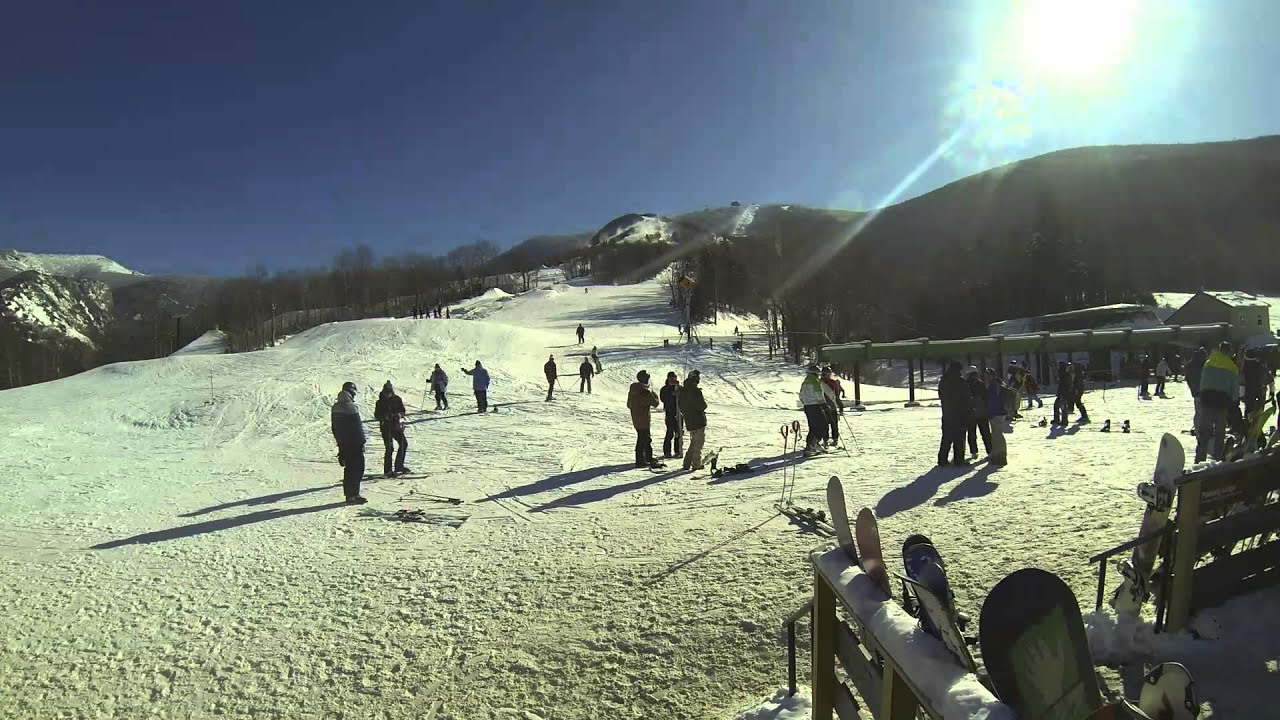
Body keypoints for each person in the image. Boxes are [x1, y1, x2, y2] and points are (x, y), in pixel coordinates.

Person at [1196, 342, 1240, 462]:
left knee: (1205, 431)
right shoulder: (1232, 367)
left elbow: (1203, 382)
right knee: (1220, 433)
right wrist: (1235, 403)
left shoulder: (1208, 363)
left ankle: (1200, 458)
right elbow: (1235, 389)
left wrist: (1201, 395)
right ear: (1229, 351)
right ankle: (1218, 459)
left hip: (1207, 400)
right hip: (1222, 402)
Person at [331, 382, 367, 504]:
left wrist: (340, 443)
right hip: (354, 443)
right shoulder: (351, 407)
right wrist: (362, 442)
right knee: (357, 468)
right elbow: (357, 428)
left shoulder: (336, 407)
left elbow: (335, 428)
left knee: (349, 469)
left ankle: (349, 494)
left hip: (344, 443)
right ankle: (354, 494)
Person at [937, 361, 971, 466]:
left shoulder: (943, 381)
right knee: (959, 438)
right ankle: (959, 459)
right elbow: (966, 396)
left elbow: (942, 396)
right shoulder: (960, 382)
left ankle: (942, 459)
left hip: (947, 413)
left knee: (947, 438)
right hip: (960, 414)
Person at [374, 381, 410, 478]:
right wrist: (384, 416)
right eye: (386, 392)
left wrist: (399, 414)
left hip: (396, 426)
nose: (388, 395)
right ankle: (388, 470)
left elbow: (402, 410)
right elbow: (377, 415)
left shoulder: (397, 399)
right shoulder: (380, 402)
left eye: (389, 392)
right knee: (389, 448)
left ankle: (399, 466)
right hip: (386, 427)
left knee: (403, 444)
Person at [627, 370, 661, 468]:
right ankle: (640, 460)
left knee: (646, 438)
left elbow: (629, 405)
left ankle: (648, 457)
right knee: (642, 439)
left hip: (636, 418)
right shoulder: (644, 391)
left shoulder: (633, 390)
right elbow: (655, 403)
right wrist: (653, 394)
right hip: (644, 419)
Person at [799, 365, 836, 455]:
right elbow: (819, 395)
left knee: (813, 426)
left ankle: (812, 444)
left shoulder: (805, 382)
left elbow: (801, 396)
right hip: (815, 405)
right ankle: (812, 444)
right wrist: (824, 405)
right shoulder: (815, 382)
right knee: (823, 425)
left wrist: (806, 403)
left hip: (807, 407)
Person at [679, 370, 708, 470]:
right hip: (698, 420)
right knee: (698, 442)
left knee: (694, 442)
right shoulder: (695, 391)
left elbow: (681, 406)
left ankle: (687, 462)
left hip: (689, 420)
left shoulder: (683, 391)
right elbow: (702, 405)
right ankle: (696, 464)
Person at [965, 366, 992, 458]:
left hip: (970, 413)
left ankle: (973, 451)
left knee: (972, 434)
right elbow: (986, 398)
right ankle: (990, 451)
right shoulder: (981, 384)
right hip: (982, 413)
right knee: (985, 433)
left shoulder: (966, 384)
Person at [985, 368, 1009, 466]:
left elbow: (993, 401)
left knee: (997, 435)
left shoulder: (993, 385)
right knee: (996, 435)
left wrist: (990, 412)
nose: (985, 376)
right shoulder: (998, 384)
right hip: (999, 413)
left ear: (991, 375)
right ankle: (998, 455)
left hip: (997, 413)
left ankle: (1001, 456)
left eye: (987, 374)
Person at [820, 366, 845, 447]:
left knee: (833, 424)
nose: (827, 375)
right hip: (824, 407)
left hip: (830, 406)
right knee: (826, 424)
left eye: (828, 374)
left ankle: (834, 440)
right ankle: (827, 440)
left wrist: (840, 405)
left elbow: (836, 395)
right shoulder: (820, 383)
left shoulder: (830, 383)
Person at [660, 371, 683, 458]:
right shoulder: (665, 389)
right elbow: (663, 399)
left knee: (679, 432)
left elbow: (684, 397)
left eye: (674, 378)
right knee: (670, 432)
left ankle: (678, 450)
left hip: (679, 413)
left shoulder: (679, 388)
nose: (672, 379)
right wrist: (672, 395)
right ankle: (667, 451)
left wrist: (679, 393)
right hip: (670, 413)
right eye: (671, 378)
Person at [1185, 346, 1208, 436]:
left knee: (1198, 412)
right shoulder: (1202, 365)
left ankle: (1198, 430)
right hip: (1204, 391)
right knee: (1204, 412)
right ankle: (1202, 430)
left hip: (1195, 392)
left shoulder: (1190, 365)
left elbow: (1188, 379)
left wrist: (1192, 389)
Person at [1242, 348, 1269, 417]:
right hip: (1259, 390)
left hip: (1249, 391)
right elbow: (1268, 378)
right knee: (1259, 410)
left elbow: (1242, 381)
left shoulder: (1245, 367)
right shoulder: (1260, 366)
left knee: (1248, 408)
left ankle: (1248, 420)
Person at [1052, 361, 1075, 426]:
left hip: (1063, 393)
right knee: (1057, 406)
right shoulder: (1064, 373)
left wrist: (1064, 393)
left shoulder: (1065, 374)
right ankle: (1057, 419)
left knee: (1063, 407)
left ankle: (1064, 421)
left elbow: (1067, 385)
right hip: (1061, 393)